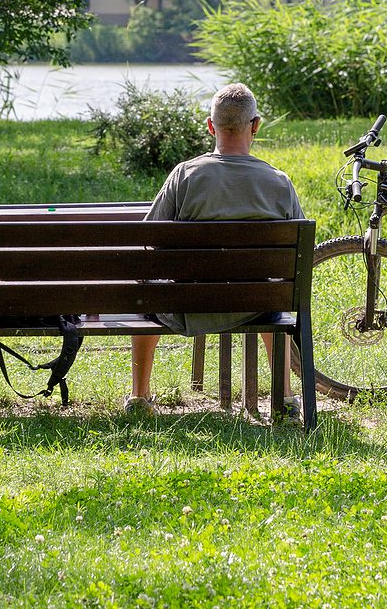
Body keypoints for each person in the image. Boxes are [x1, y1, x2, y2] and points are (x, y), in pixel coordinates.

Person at [127, 83, 303, 417]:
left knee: (147, 293)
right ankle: (284, 400)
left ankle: (139, 397)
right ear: (255, 125)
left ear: (211, 126)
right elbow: (294, 255)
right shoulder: (278, 182)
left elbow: (149, 240)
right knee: (274, 297)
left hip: (186, 305)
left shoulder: (185, 175)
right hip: (254, 304)